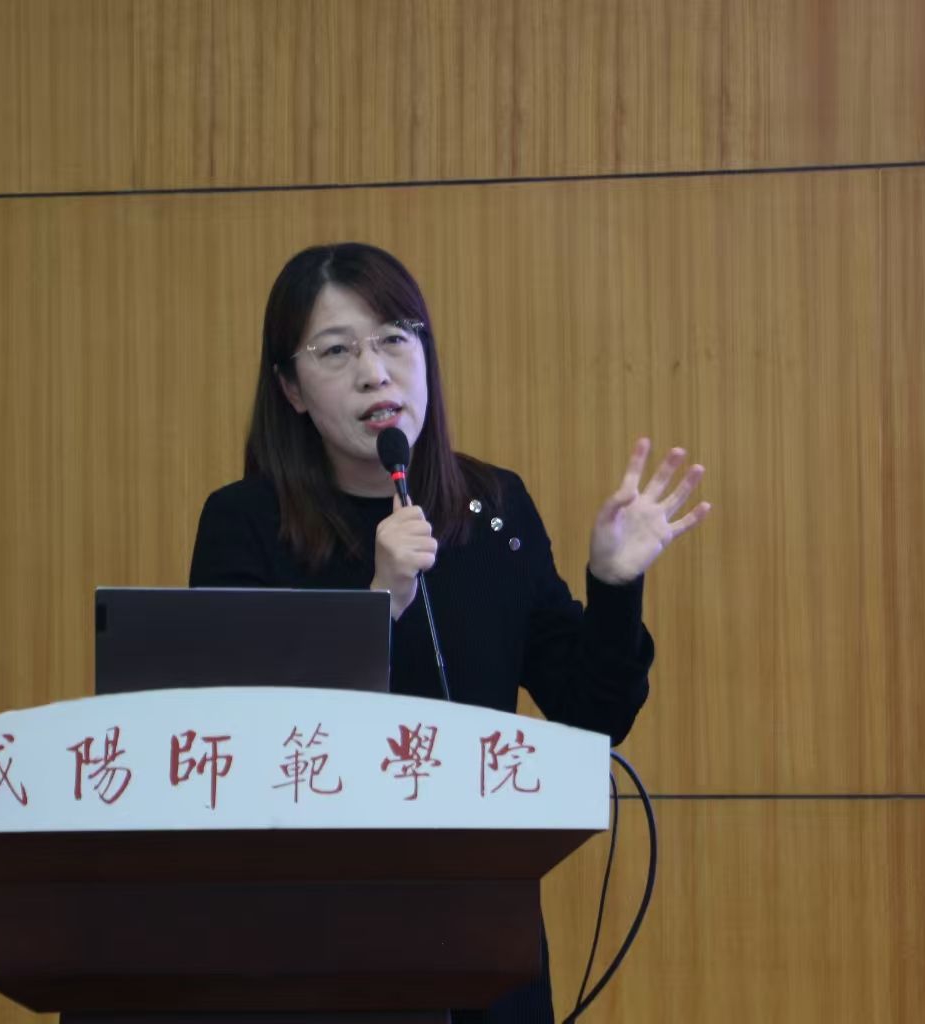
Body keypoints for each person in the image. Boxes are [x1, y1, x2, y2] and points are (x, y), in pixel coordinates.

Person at [189, 242, 709, 1023]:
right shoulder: (246, 524)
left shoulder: (491, 510)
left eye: (395, 339)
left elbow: (592, 712)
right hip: (308, 943)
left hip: (479, 936)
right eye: (337, 351)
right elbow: (241, 741)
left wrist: (613, 585)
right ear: (290, 388)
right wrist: (380, 600)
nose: (376, 373)